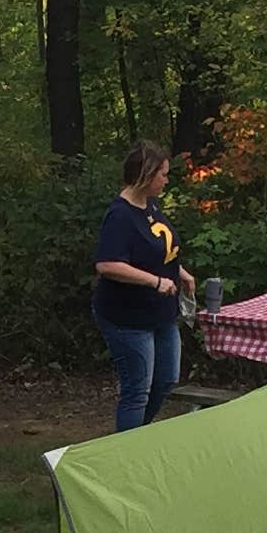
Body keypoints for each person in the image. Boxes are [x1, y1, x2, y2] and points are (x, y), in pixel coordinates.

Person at [91, 138, 192, 431]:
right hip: (127, 317)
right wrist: (155, 281)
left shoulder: (150, 206)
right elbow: (108, 264)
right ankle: (125, 455)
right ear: (146, 175)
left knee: (166, 380)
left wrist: (179, 271)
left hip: (161, 313)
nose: (166, 180)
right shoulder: (120, 215)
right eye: (163, 174)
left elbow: (155, 251)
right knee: (138, 389)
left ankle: (136, 439)